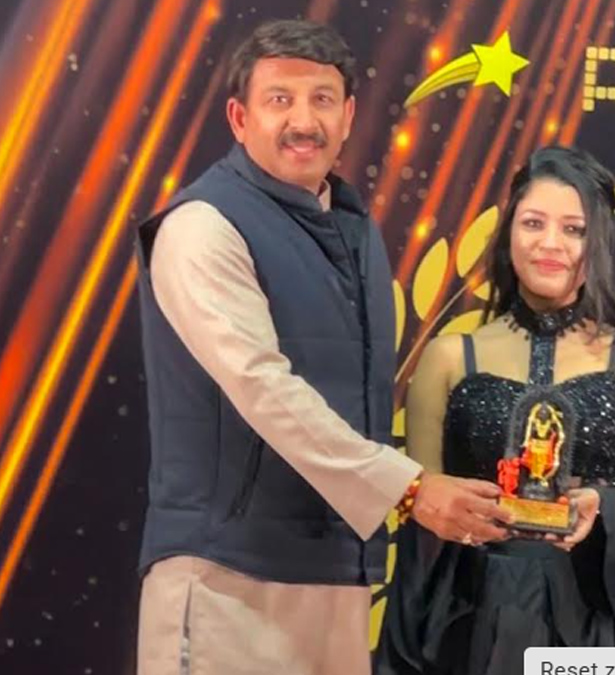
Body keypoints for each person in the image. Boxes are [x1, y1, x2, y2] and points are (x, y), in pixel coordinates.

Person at [134, 19, 510, 675]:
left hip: (338, 576)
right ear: (239, 118)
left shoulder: (354, 230)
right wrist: (409, 490)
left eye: (322, 100)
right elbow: (262, 387)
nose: (303, 121)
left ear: (349, 116)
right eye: (279, 99)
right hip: (227, 579)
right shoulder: (201, 226)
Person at [374, 145, 615, 675]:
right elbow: (423, 515)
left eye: (574, 229)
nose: (550, 243)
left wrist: (601, 507)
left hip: (598, 627)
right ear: (508, 234)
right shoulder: (449, 357)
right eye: (533, 223)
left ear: (598, 242)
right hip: (471, 626)